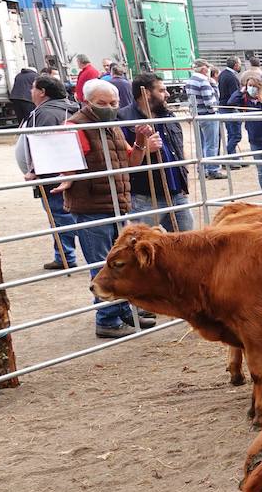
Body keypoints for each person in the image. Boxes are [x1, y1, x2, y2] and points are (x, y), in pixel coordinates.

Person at [55, 77, 159, 337]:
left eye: (114, 102)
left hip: (116, 204)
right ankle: (107, 318)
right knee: (102, 264)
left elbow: (131, 161)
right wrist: (61, 175)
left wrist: (139, 139)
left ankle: (123, 310)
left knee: (119, 261)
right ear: (86, 101)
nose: (110, 107)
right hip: (92, 205)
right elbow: (65, 164)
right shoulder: (75, 126)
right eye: (103, 103)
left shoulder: (112, 126)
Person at [16, 74, 80, 270]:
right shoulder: (70, 107)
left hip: (52, 174)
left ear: (42, 92)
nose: (31, 91)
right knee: (65, 214)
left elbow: (43, 144)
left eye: (34, 88)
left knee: (61, 216)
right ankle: (63, 254)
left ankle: (65, 256)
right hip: (65, 170)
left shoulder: (45, 113)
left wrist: (34, 170)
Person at [120, 72, 193, 232]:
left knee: (187, 245)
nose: (167, 94)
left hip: (177, 193)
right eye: (161, 90)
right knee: (142, 245)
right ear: (146, 93)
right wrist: (145, 149)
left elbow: (178, 150)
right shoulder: (123, 119)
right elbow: (123, 162)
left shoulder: (168, 115)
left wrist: (182, 179)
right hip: (145, 196)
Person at [226, 74, 262, 198]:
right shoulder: (245, 100)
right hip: (255, 140)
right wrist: (241, 90)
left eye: (254, 86)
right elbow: (231, 102)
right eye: (249, 86)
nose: (251, 88)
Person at [184, 59, 223, 179]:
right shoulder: (204, 82)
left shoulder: (189, 81)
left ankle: (202, 168)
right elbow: (210, 102)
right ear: (204, 69)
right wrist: (214, 85)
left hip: (198, 115)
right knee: (212, 144)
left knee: (201, 143)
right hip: (208, 115)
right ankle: (213, 169)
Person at [217, 57, 243, 156]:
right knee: (236, 135)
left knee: (231, 134)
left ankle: (233, 158)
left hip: (223, 107)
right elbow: (235, 95)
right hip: (230, 108)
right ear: (236, 65)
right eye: (240, 64)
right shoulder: (232, 77)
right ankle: (227, 156)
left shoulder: (223, 74)